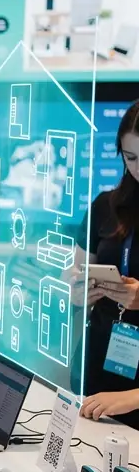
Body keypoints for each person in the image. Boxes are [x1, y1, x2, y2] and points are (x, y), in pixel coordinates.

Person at [77, 100, 139, 429]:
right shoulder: (105, 206)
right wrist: (78, 292)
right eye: (131, 158)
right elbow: (75, 275)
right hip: (102, 358)